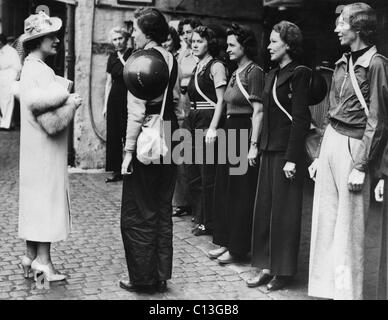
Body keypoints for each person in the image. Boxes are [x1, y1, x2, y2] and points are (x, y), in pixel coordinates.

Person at [308, 3, 388, 300]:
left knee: (349, 231)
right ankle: (328, 290)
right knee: (325, 224)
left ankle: (347, 294)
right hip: (331, 141)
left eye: (341, 23)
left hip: (355, 148)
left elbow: (378, 120)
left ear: (357, 27)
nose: (336, 28)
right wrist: (318, 154)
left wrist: (361, 165)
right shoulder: (342, 62)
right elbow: (331, 111)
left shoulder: (377, 64)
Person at [18, 12, 82, 282]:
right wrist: (71, 102)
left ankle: (30, 258)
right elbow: (52, 123)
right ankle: (44, 263)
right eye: (51, 37)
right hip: (46, 152)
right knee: (46, 202)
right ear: (38, 41)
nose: (56, 40)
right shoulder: (42, 72)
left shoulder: (28, 69)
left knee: (34, 203)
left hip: (33, 152)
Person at [248, 21, 311, 291]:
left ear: (288, 44)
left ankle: (283, 271)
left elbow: (300, 119)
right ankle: (266, 265)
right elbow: (263, 114)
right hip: (268, 150)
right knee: (264, 211)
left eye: (274, 41)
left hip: (286, 154)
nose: (269, 46)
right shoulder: (272, 74)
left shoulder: (300, 73)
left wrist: (292, 158)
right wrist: (256, 145)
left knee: (284, 215)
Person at [119, 7, 179, 294]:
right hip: (170, 134)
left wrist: (128, 151)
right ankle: (160, 275)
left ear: (148, 32)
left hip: (147, 139)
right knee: (162, 208)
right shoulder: (170, 58)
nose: (132, 33)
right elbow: (179, 101)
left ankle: (142, 279)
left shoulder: (140, 61)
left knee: (138, 210)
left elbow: (136, 112)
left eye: (135, 29)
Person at [209, 24, 264, 264]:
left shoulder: (254, 72)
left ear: (245, 46)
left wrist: (253, 144)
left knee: (241, 193)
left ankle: (238, 248)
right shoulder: (235, 72)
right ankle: (227, 242)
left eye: (232, 45)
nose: (228, 49)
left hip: (243, 133)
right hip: (231, 132)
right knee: (227, 190)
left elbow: (259, 111)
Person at [185, 25, 228, 236]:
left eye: (199, 41)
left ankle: (208, 221)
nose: (194, 45)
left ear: (209, 43)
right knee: (192, 172)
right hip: (193, 120)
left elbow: (221, 101)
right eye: (192, 41)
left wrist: (213, 128)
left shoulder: (216, 66)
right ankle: (199, 215)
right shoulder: (197, 66)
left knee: (207, 173)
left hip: (208, 119)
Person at [171, 18, 202, 217]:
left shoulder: (198, 55)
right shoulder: (179, 54)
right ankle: (181, 201)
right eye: (183, 33)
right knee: (179, 155)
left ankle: (194, 202)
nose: (186, 36)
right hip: (181, 104)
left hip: (195, 103)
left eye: (189, 32)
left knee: (195, 155)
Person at [103, 27, 132, 183]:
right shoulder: (112, 57)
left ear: (126, 38)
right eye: (114, 39)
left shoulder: (132, 54)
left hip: (128, 97)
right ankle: (115, 170)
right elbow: (108, 83)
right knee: (113, 134)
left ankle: (130, 167)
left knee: (128, 132)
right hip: (114, 98)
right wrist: (104, 106)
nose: (118, 42)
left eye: (120, 38)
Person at [0, 34, 21, 129]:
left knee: (7, 100)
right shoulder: (1, 51)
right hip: (2, 77)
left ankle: (6, 124)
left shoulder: (11, 51)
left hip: (9, 77)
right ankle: (3, 122)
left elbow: (17, 66)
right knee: (2, 101)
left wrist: (15, 77)